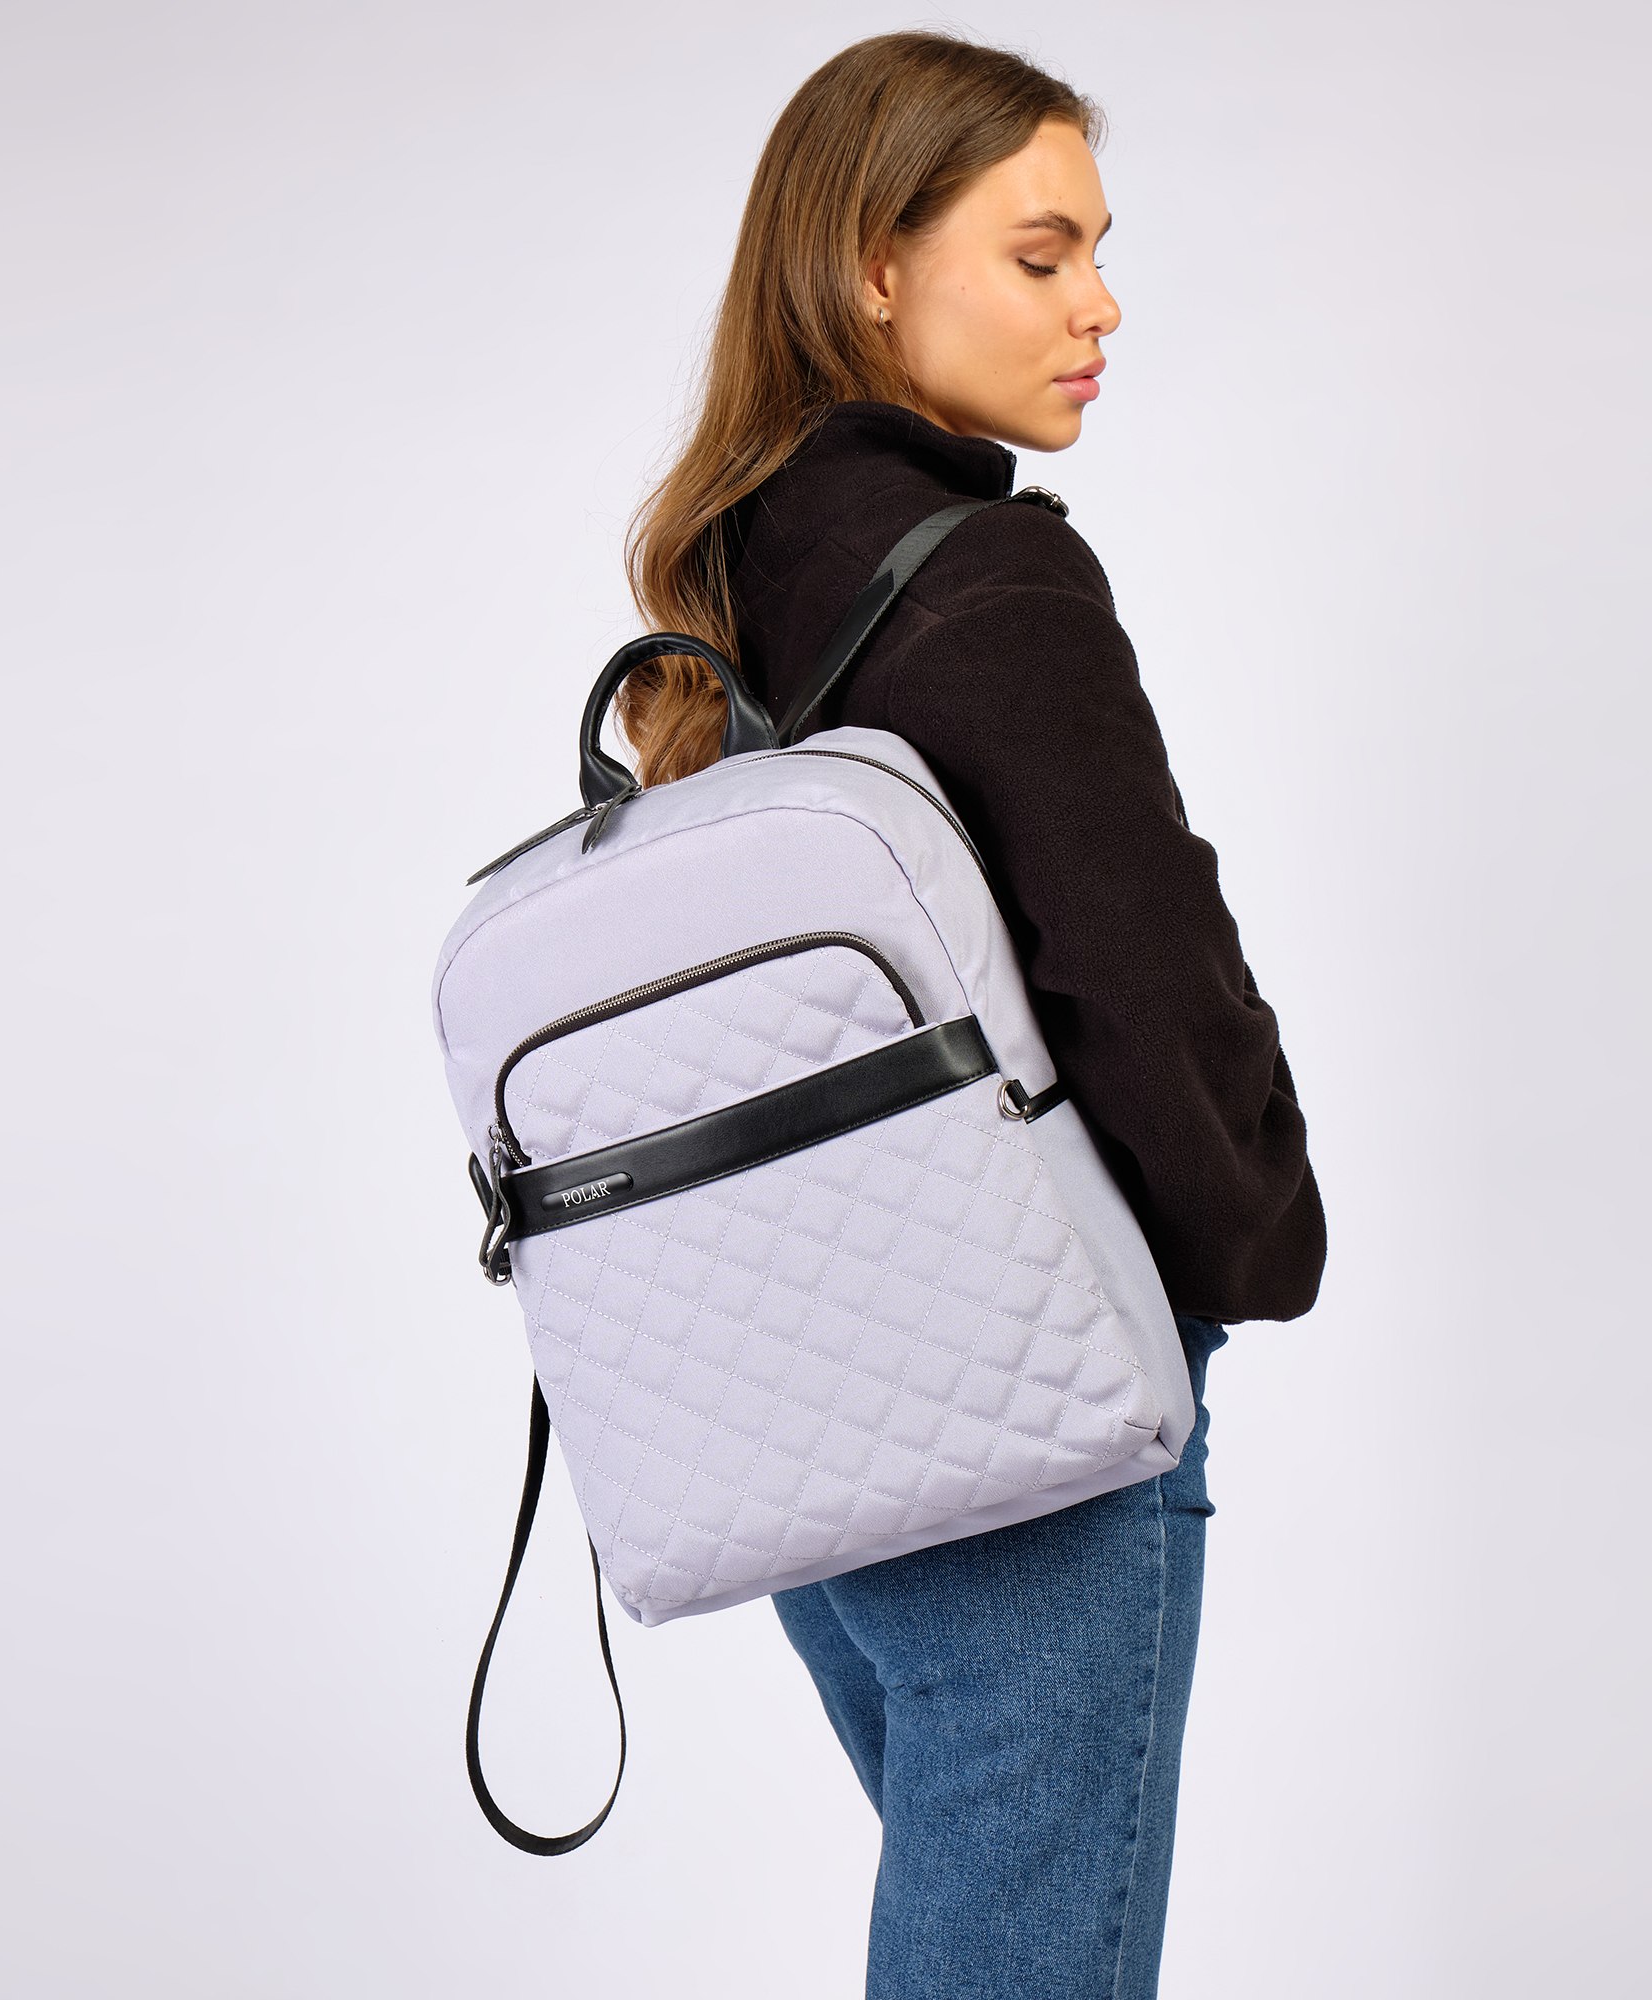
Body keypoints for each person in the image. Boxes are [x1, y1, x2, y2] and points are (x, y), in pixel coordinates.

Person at [614, 31, 1326, 2000]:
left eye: (1098, 251)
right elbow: (1141, 969)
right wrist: (1258, 1243)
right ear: (871, 264)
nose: (1100, 306)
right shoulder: (989, 577)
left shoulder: (733, 583)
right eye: (1040, 254)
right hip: (1029, 1404)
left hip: (799, 1404)